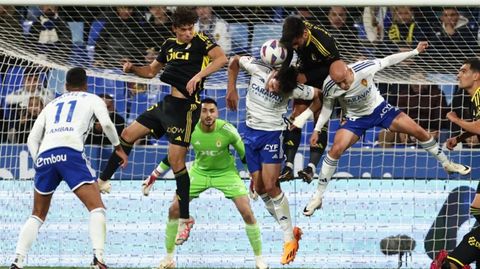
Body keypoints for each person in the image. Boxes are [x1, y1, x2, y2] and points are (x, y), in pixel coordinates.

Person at [97, 6, 228, 243]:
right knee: (127, 133)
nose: (188, 33)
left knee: (177, 161)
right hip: (167, 104)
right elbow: (149, 72)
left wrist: (199, 76)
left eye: (191, 28)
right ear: (174, 29)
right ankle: (103, 180)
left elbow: (222, 58)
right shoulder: (168, 45)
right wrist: (132, 68)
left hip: (187, 108)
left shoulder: (202, 41)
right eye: (184, 29)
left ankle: (185, 219)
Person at [299, 41, 471, 217]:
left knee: (420, 132)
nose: (343, 86)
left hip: (381, 110)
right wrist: (317, 129)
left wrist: (415, 52)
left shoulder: (364, 68)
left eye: (344, 81)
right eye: (339, 83)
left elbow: (389, 60)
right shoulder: (329, 85)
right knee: (335, 149)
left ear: (349, 71)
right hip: (355, 119)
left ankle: (447, 164)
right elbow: (327, 107)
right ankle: (318, 196)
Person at [9, 67, 128, 269]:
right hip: (70, 152)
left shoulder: (51, 104)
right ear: (86, 84)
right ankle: (98, 259)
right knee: (96, 207)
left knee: (37, 214)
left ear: (65, 86)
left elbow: (31, 139)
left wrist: (39, 161)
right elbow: (107, 125)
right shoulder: (92, 99)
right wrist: (118, 148)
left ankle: (17, 261)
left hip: (45, 156)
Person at [146, 98, 269, 269]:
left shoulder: (227, 130)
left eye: (212, 111)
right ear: (199, 113)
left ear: (217, 113)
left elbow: (244, 155)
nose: (208, 114)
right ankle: (168, 259)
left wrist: (253, 179)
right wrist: (154, 175)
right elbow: (173, 156)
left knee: (247, 211)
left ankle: (259, 259)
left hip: (226, 174)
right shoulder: (190, 129)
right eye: (204, 110)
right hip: (199, 172)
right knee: (173, 209)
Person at [226, 50, 323, 265]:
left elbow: (319, 95)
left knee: (271, 186)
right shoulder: (257, 68)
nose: (272, 89)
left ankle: (288, 239)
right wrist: (231, 89)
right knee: (260, 188)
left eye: (278, 91)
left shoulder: (295, 89)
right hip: (249, 134)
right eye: (273, 85)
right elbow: (233, 61)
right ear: (274, 74)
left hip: (272, 136)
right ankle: (290, 231)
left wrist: (303, 118)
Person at [278, 15, 341, 183]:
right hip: (304, 71)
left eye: (296, 43)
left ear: (305, 34)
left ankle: (311, 168)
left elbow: (334, 67)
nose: (294, 46)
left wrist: (308, 76)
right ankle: (288, 167)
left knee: (319, 121)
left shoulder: (324, 43)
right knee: (296, 114)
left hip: (325, 78)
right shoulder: (292, 33)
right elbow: (289, 50)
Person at [431, 58, 480, 269]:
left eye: (463, 71)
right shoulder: (474, 99)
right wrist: (459, 138)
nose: (458, 74)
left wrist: (456, 120)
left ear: (476, 75)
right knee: (477, 207)